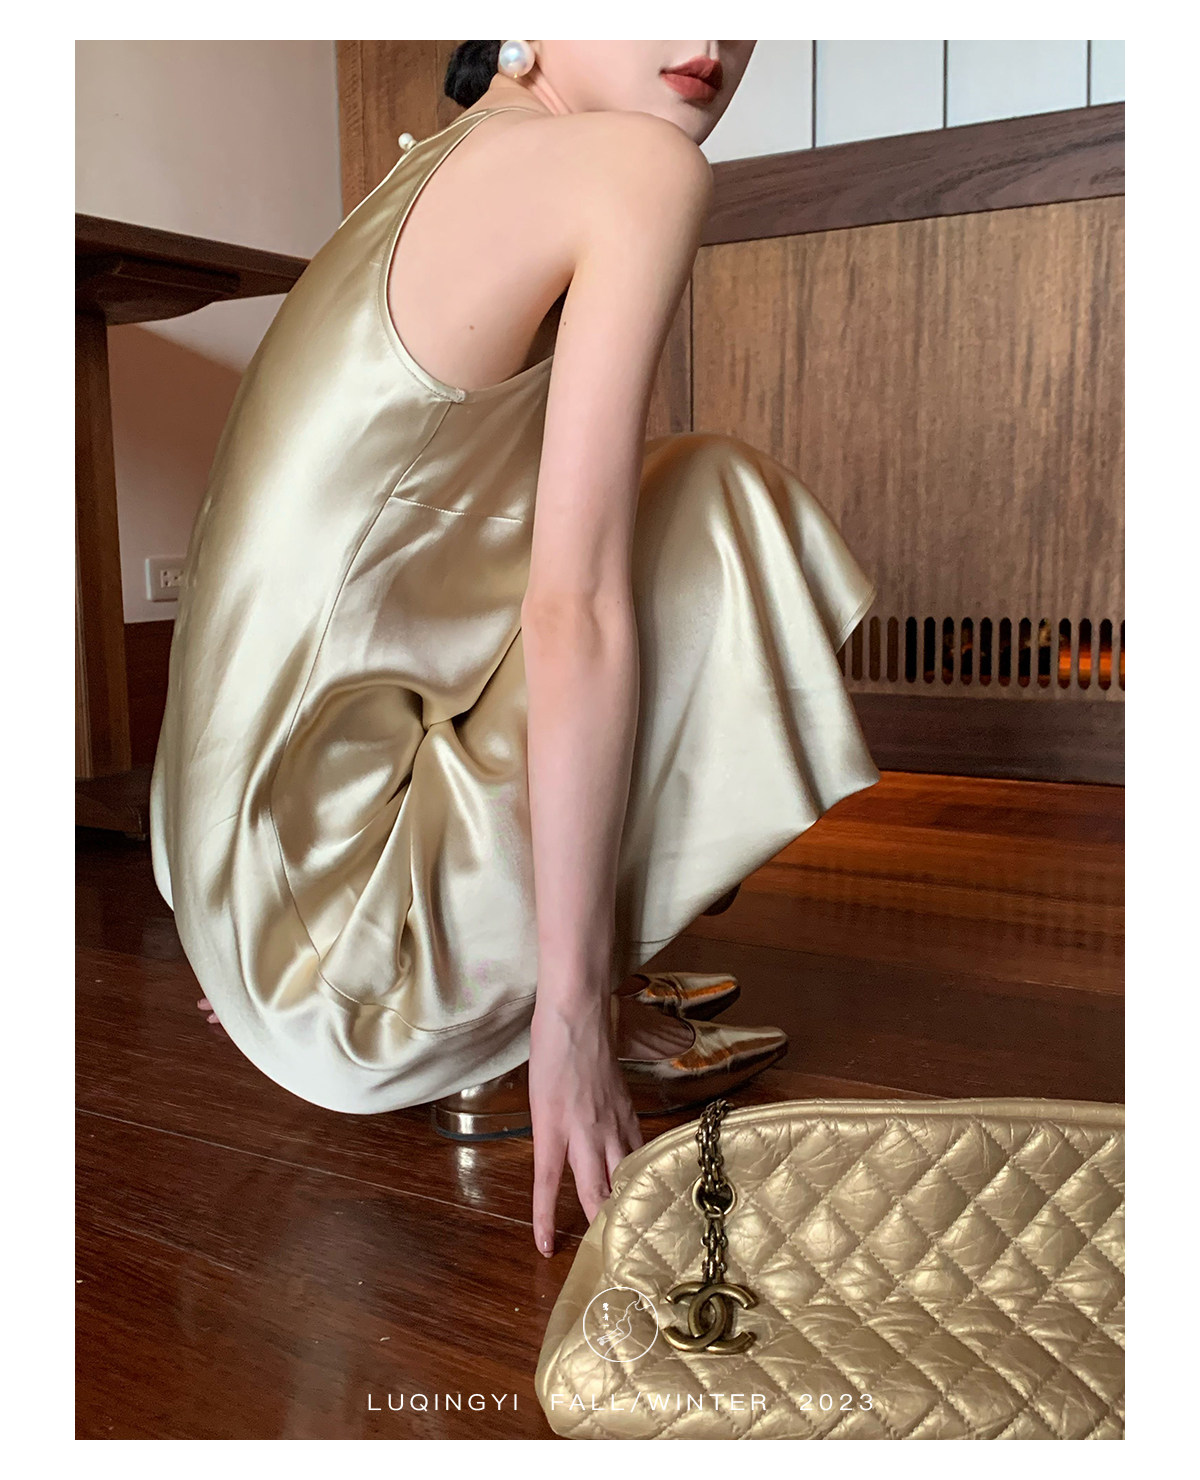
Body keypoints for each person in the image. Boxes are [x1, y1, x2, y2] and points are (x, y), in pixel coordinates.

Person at [150, 40, 881, 1260]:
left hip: (245, 896)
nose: (709, 38)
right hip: (350, 975)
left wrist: (238, 932)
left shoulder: (433, 163)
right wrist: (573, 1021)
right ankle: (546, 1006)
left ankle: (539, 974)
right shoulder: (634, 165)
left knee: (648, 504)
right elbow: (572, 611)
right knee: (720, 516)